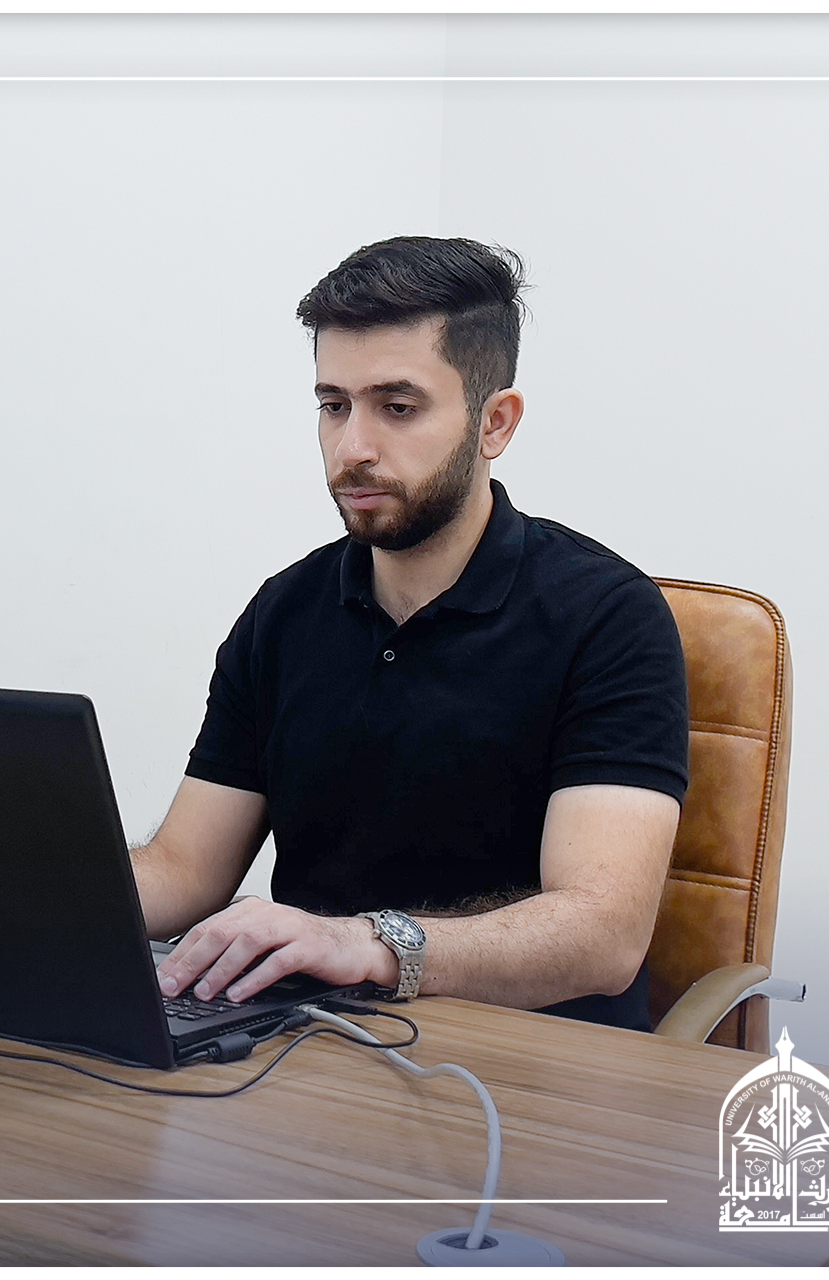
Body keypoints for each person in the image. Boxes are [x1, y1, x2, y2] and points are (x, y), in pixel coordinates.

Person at [130, 236, 689, 1032]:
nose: (352, 447)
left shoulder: (609, 617)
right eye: (334, 406)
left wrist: (365, 945)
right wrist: (5, 889)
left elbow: (603, 935)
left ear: (495, 423)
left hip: (536, 1068)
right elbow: (184, 871)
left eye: (397, 408)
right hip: (310, 1047)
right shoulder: (283, 612)